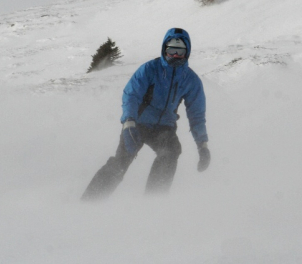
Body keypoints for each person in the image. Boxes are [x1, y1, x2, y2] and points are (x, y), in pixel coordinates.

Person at [81, 27, 210, 200]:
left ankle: (152, 202)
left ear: (187, 52)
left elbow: (197, 115)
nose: (175, 56)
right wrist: (128, 122)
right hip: (137, 124)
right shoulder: (150, 69)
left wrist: (202, 146)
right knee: (121, 162)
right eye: (171, 50)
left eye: (180, 51)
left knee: (171, 151)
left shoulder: (190, 80)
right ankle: (90, 201)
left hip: (164, 128)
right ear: (164, 49)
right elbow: (131, 95)